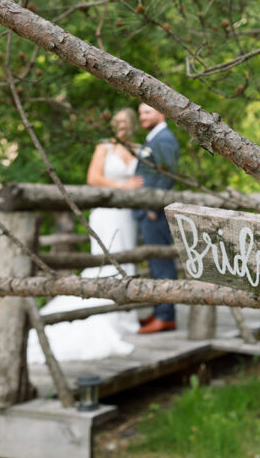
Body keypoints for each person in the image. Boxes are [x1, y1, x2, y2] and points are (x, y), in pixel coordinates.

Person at [27, 108, 145, 364]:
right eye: (118, 122)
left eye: (126, 122)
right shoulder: (104, 147)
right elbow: (93, 178)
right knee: (107, 258)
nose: (122, 126)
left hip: (128, 214)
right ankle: (104, 308)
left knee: (127, 256)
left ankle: (125, 314)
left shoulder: (138, 148)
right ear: (113, 124)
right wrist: (123, 187)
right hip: (106, 211)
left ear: (133, 124)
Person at [134, 103, 181, 333]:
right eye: (141, 112)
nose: (143, 116)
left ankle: (166, 316)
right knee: (155, 262)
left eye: (148, 112)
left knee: (162, 263)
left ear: (160, 113)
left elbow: (167, 173)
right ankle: (159, 311)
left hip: (154, 211)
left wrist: (153, 207)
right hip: (147, 210)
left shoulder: (163, 138)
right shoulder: (153, 137)